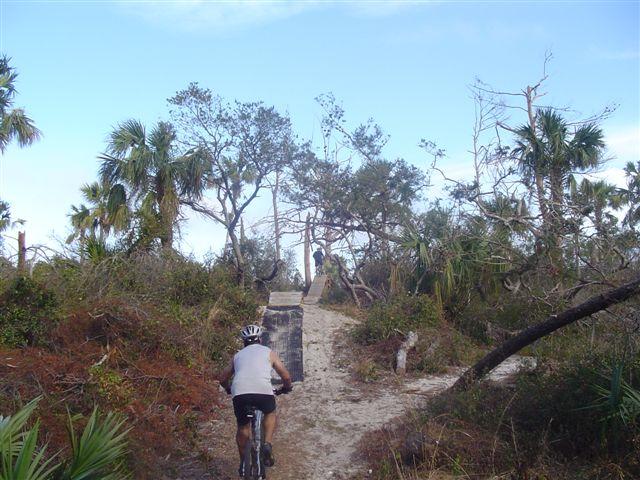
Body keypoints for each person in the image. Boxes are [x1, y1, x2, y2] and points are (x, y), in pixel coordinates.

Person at [218, 324, 292, 474]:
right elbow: (286, 376)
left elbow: (223, 378)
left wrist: (228, 388)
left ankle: (243, 465)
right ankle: (268, 444)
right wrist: (286, 387)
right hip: (263, 392)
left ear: (244, 341)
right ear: (259, 339)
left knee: (243, 427)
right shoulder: (268, 352)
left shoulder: (237, 356)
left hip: (240, 393)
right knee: (270, 413)